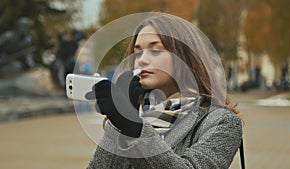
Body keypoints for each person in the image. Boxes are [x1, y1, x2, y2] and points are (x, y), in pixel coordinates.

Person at [86, 13, 243, 169]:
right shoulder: (133, 112)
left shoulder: (221, 122)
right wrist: (121, 120)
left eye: (155, 51)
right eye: (138, 52)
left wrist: (134, 127)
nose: (141, 60)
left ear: (183, 56)